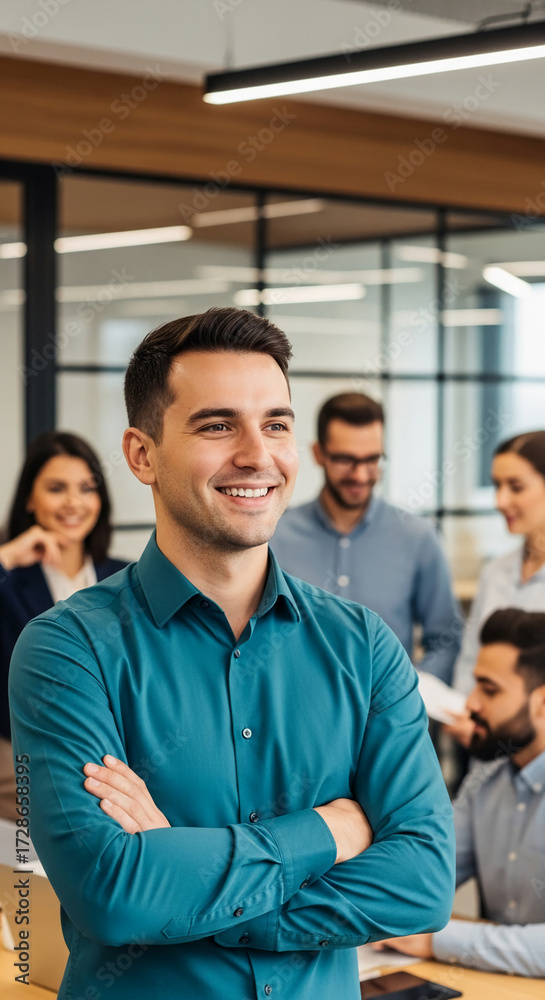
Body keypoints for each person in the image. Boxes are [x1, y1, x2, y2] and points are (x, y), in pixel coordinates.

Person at [9, 308, 454, 1000]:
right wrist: (327, 832)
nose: (257, 454)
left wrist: (183, 880)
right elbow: (113, 895)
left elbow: (422, 884)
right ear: (141, 455)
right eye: (217, 425)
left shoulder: (362, 647)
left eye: (274, 423)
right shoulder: (66, 649)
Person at [375, 607, 545, 977]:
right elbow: (426, 873)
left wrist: (438, 940)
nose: (471, 703)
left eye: (490, 689)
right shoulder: (487, 779)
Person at [271, 392, 462, 683]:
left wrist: (405, 700)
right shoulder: (274, 535)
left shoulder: (418, 536)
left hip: (391, 720)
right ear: (318, 453)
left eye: (372, 459)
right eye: (346, 460)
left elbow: (446, 641)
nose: (360, 475)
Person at [0, 430, 126, 820]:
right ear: (30, 499)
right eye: (57, 488)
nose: (74, 502)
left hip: (115, 767)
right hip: (21, 765)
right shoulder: (7, 580)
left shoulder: (125, 577)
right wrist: (4, 558)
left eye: (87, 488)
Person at [446, 430, 545, 747]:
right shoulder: (495, 571)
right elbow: (472, 657)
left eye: (515, 487)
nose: (500, 500)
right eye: (497, 485)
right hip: (484, 749)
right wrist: (466, 713)